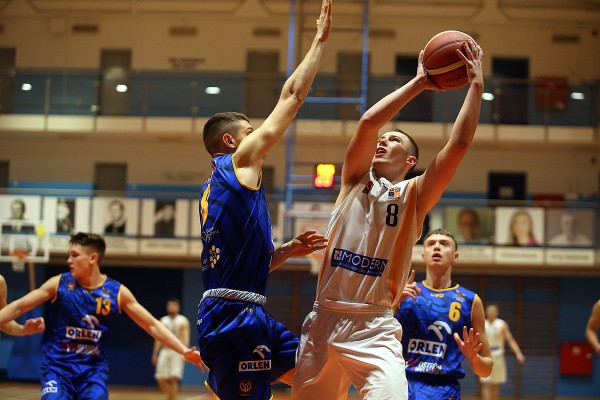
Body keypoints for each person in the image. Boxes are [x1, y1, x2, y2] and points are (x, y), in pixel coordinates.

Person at [292, 39, 484, 400]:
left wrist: (475, 86)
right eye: (382, 138)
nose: (382, 141)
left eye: (393, 140)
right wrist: (419, 82)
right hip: (324, 318)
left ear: (411, 161)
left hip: (373, 326)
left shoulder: (415, 194)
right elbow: (368, 122)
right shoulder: (353, 180)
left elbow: (457, 146)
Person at [196, 1, 331, 398]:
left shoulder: (213, 190)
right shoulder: (238, 163)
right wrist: (319, 41)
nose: (258, 137)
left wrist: (286, 250)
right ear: (230, 141)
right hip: (232, 317)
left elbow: (240, 268)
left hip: (245, 308)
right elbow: (292, 95)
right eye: (250, 132)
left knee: (319, 378)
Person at [0, 232, 206, 400]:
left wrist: (183, 350)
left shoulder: (116, 292)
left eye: (74, 255)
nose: (69, 260)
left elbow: (151, 324)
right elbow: (19, 306)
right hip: (58, 368)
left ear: (92, 258)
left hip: (92, 372)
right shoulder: (59, 283)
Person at [395, 229, 493, 399]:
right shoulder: (403, 293)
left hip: (445, 392)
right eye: (431, 244)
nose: (437, 247)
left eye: (444, 244)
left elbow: (487, 369)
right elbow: (378, 337)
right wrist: (392, 303)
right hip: (403, 388)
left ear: (455, 256)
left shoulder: (471, 301)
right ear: (423, 255)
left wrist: (474, 358)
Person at [480, 304, 526, 400]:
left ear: (497, 313)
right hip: (485, 354)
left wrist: (518, 353)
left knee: (495, 384)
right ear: (486, 312)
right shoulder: (482, 323)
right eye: (489, 311)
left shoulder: (502, 324)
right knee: (485, 382)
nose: (491, 313)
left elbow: (510, 340)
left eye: (493, 311)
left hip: (498, 354)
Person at [152, 298, 190, 400]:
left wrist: (185, 353)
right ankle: (172, 397)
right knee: (160, 378)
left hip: (177, 351)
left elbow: (186, 337)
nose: (171, 307)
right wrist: (155, 354)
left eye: (174, 305)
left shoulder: (183, 320)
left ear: (178, 308)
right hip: (164, 350)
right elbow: (158, 338)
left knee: (174, 378)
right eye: (170, 305)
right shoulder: (163, 320)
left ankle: (172, 398)